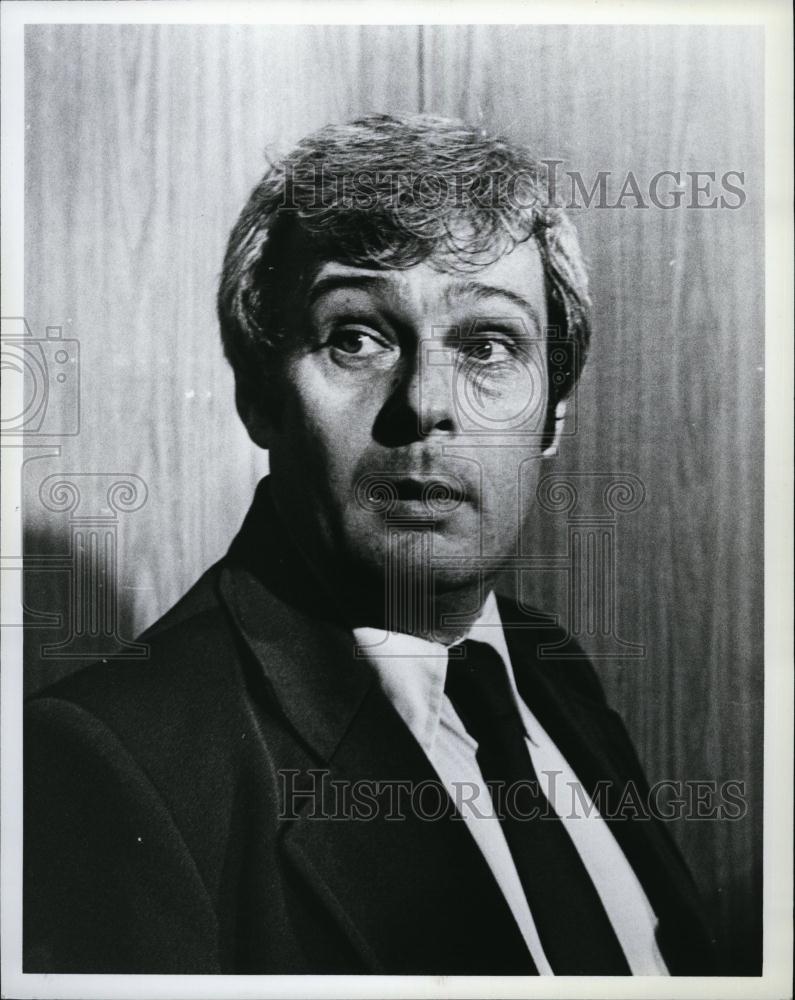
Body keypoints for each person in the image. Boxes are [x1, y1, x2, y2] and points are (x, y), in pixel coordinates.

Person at [24, 113, 715, 975]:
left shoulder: (548, 668)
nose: (425, 401)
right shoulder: (108, 763)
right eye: (355, 336)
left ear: (552, 416)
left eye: (488, 343)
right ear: (259, 396)